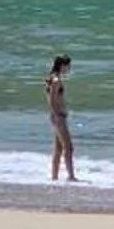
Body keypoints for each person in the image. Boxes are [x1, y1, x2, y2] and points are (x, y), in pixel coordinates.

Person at [46, 54, 76, 182]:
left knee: (58, 148)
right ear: (62, 65)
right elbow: (52, 100)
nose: (69, 68)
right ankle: (71, 176)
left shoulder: (52, 79)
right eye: (68, 65)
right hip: (59, 116)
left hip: (57, 116)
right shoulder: (56, 81)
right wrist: (57, 115)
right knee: (68, 147)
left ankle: (54, 176)